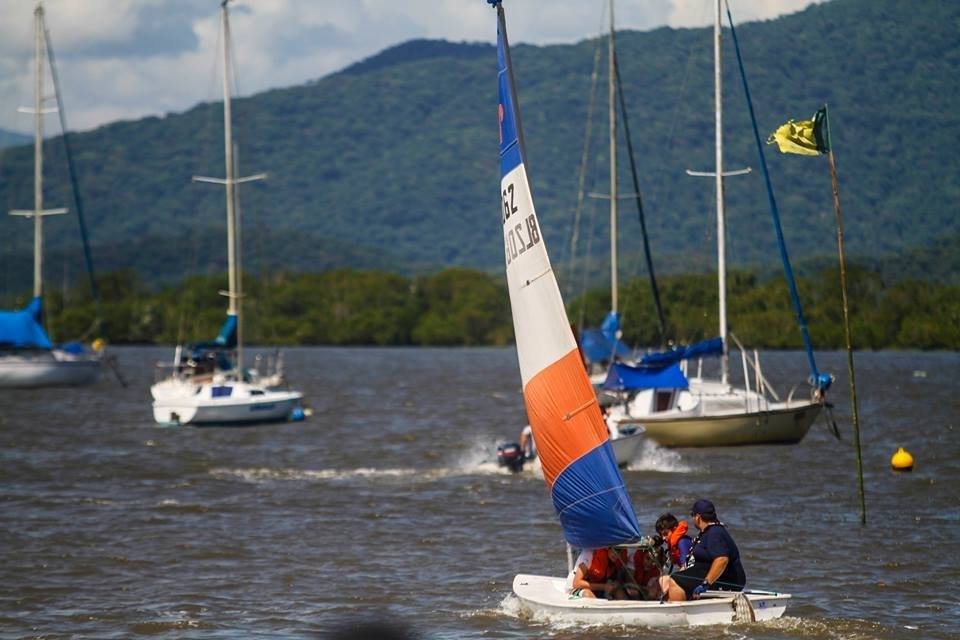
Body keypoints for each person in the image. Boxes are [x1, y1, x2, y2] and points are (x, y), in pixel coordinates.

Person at [658, 499, 747, 602]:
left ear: (698, 517)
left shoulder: (715, 533)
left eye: (692, 515)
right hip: (708, 574)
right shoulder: (707, 532)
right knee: (675, 579)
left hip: (728, 581)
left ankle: (678, 610)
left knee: (676, 580)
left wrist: (706, 583)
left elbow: (722, 559)